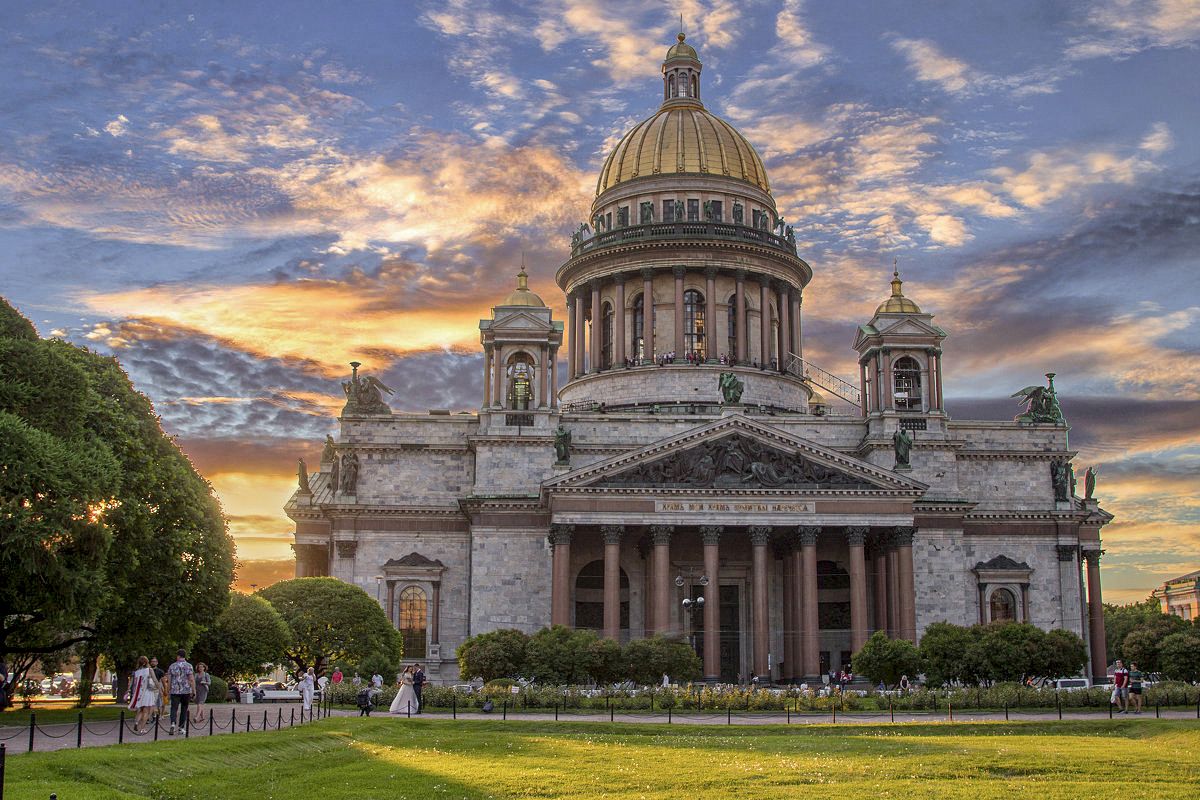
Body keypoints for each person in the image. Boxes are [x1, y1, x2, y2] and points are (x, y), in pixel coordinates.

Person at [166, 649, 196, 735]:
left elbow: (169, 680)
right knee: (184, 708)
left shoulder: (172, 666)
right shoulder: (189, 666)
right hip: (185, 690)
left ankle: (172, 723)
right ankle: (181, 727)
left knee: (174, 708)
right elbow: (191, 679)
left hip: (175, 690)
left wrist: (168, 691)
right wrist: (194, 690)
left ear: (178, 656)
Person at [128, 656, 159, 734]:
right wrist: (158, 687)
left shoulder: (137, 672)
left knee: (141, 710)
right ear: (146, 662)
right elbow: (154, 679)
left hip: (139, 693)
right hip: (147, 692)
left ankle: (136, 722)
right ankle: (142, 728)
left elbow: (134, 683)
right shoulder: (149, 670)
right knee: (146, 711)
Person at [149, 656, 166, 724]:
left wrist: (164, 689)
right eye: (152, 661)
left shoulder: (160, 671)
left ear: (157, 663)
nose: (153, 663)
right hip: (149, 689)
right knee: (151, 703)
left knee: (158, 704)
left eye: (154, 661)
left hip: (157, 689)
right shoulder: (148, 670)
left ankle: (159, 715)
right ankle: (153, 716)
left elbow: (163, 681)